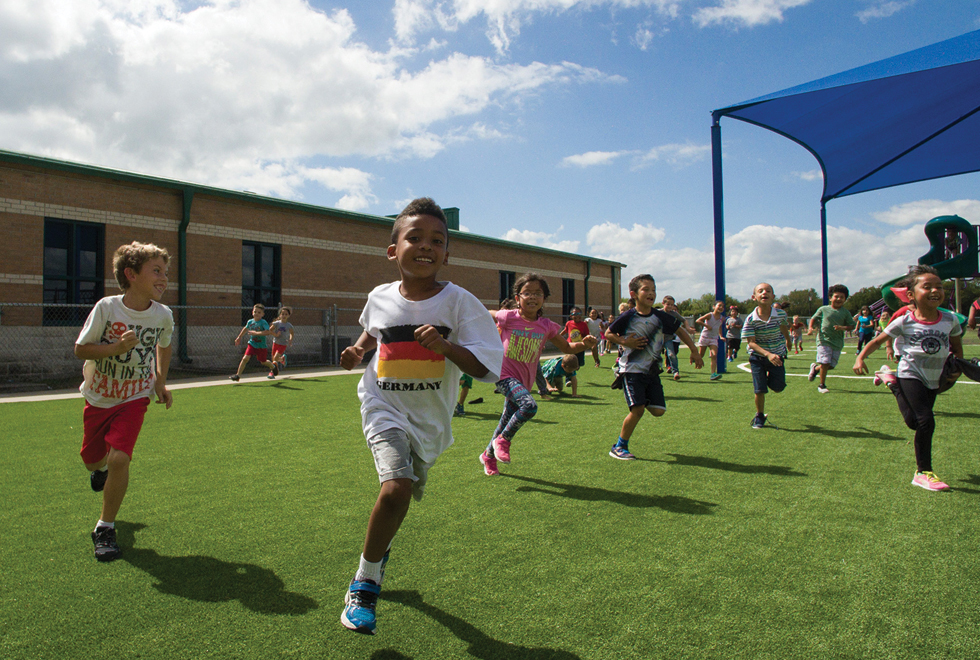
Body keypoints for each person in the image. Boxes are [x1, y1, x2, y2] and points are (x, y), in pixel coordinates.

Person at [338, 197, 503, 635]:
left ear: (447, 253)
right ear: (394, 250)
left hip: (429, 421)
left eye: (437, 240)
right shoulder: (379, 296)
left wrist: (446, 347)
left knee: (402, 495)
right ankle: (365, 583)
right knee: (395, 488)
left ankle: (379, 549)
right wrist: (360, 350)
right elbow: (374, 331)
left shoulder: (460, 303)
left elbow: (487, 367)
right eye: (415, 237)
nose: (425, 246)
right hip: (381, 405)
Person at [74, 241, 175, 562]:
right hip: (100, 396)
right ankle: (98, 469)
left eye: (166, 272)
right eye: (156, 271)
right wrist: (114, 350)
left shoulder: (163, 315)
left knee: (120, 458)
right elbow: (82, 349)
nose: (164, 278)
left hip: (135, 396)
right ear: (131, 274)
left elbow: (164, 345)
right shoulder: (107, 308)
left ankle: (105, 527)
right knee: (93, 460)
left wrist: (159, 381)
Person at [853, 265, 963, 491]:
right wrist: (860, 358)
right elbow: (876, 340)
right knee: (926, 421)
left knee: (915, 423)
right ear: (911, 295)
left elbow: (957, 348)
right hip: (910, 373)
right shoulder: (905, 321)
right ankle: (923, 472)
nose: (935, 290)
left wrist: (957, 368)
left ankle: (890, 382)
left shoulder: (950, 320)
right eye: (928, 286)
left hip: (935, 377)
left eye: (939, 286)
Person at [480, 273, 596, 476]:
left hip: (525, 381)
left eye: (537, 293)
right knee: (529, 406)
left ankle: (488, 455)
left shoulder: (546, 326)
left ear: (544, 298)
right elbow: (488, 313)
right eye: (527, 293)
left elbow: (568, 347)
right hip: (504, 376)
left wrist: (584, 345)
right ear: (518, 298)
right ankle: (503, 440)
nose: (532, 297)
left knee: (507, 418)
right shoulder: (508, 317)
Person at [604, 274, 703, 460]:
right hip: (631, 370)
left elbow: (680, 330)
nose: (651, 293)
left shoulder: (660, 316)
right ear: (633, 294)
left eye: (653, 290)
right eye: (646, 290)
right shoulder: (628, 316)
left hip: (651, 371)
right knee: (638, 410)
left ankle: (641, 399)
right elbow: (608, 333)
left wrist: (694, 350)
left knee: (658, 411)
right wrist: (624, 341)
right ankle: (619, 446)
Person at [743, 282, 791, 429]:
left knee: (778, 387)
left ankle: (770, 381)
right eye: (761, 291)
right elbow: (751, 343)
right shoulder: (751, 319)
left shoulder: (781, 314)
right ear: (754, 297)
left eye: (768, 291)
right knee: (759, 389)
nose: (764, 293)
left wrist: (788, 340)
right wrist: (767, 354)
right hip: (758, 357)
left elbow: (783, 327)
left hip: (777, 356)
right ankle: (759, 416)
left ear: (773, 296)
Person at [806, 284, 855, 394]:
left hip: (837, 342)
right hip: (824, 340)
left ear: (845, 299)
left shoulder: (845, 313)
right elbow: (813, 319)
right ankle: (822, 385)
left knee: (831, 365)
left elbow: (852, 325)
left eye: (842, 297)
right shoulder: (823, 309)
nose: (838, 299)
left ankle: (815, 369)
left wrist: (842, 327)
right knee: (825, 362)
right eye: (836, 296)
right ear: (830, 297)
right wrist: (810, 328)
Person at [231, 304, 279, 381]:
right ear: (252, 312)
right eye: (255, 311)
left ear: (262, 314)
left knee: (263, 362)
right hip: (252, 344)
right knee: (245, 358)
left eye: (259, 312)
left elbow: (267, 332)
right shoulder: (250, 321)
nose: (256, 313)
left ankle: (273, 366)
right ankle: (238, 376)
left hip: (261, 346)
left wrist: (256, 333)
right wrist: (239, 337)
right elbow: (245, 328)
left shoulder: (263, 322)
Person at [660, 295, 692, 381]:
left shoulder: (674, 314)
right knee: (654, 355)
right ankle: (655, 369)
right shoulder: (658, 312)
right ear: (663, 303)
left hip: (668, 338)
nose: (670, 306)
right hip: (658, 338)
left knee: (671, 354)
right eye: (668, 304)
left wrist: (688, 328)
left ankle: (675, 372)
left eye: (672, 305)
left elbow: (684, 320)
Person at [695, 300, 726, 380]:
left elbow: (719, 327)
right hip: (705, 337)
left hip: (713, 338)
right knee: (701, 355)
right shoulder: (709, 315)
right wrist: (706, 325)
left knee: (714, 355)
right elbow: (698, 320)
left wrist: (721, 336)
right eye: (719, 305)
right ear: (714, 307)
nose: (721, 308)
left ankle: (713, 374)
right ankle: (694, 357)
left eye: (722, 306)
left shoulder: (722, 318)